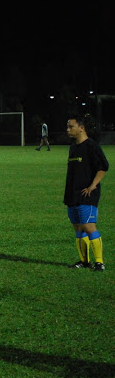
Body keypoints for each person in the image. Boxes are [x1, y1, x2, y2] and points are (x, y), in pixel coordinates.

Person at [64, 114, 108, 271]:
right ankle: (84, 261)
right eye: (68, 126)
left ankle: (99, 262)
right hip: (72, 194)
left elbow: (103, 166)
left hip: (87, 194)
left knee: (89, 226)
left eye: (71, 126)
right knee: (78, 228)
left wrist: (92, 186)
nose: (68, 129)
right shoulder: (73, 147)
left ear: (81, 128)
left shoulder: (91, 146)